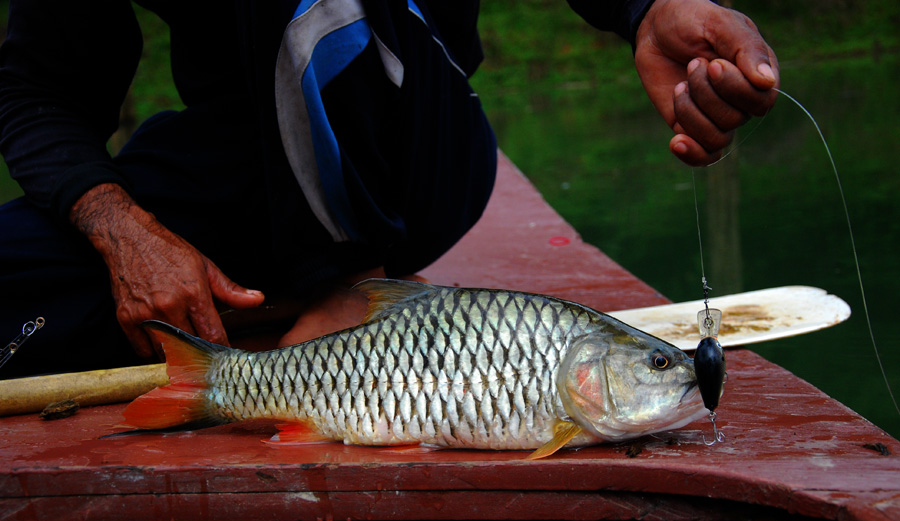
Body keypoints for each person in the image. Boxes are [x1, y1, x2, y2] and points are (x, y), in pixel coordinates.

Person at [0, 0, 778, 379]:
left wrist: (646, 7)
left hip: (408, 159)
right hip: (242, 168)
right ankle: (271, 301)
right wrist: (122, 230)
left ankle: (351, 280)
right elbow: (38, 88)